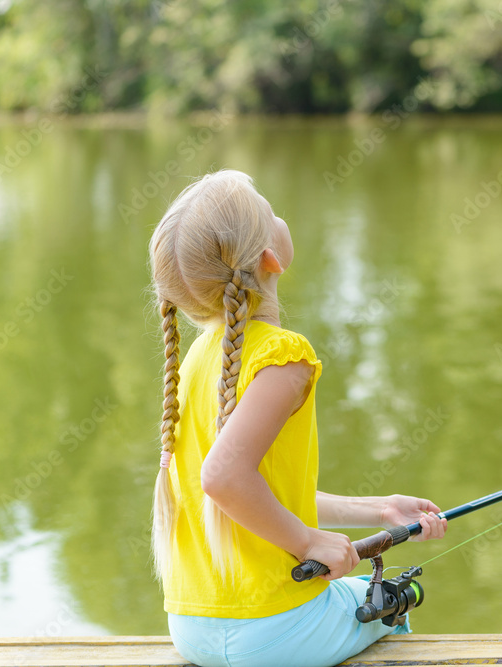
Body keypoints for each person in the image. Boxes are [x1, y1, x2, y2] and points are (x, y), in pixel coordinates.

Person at [147, 169, 447, 667]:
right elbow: (222, 478)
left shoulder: (199, 359)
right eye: (271, 209)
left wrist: (380, 509)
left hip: (192, 630)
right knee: (395, 607)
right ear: (272, 257)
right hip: (273, 630)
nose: (280, 215)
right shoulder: (284, 357)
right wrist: (306, 541)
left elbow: (257, 493)